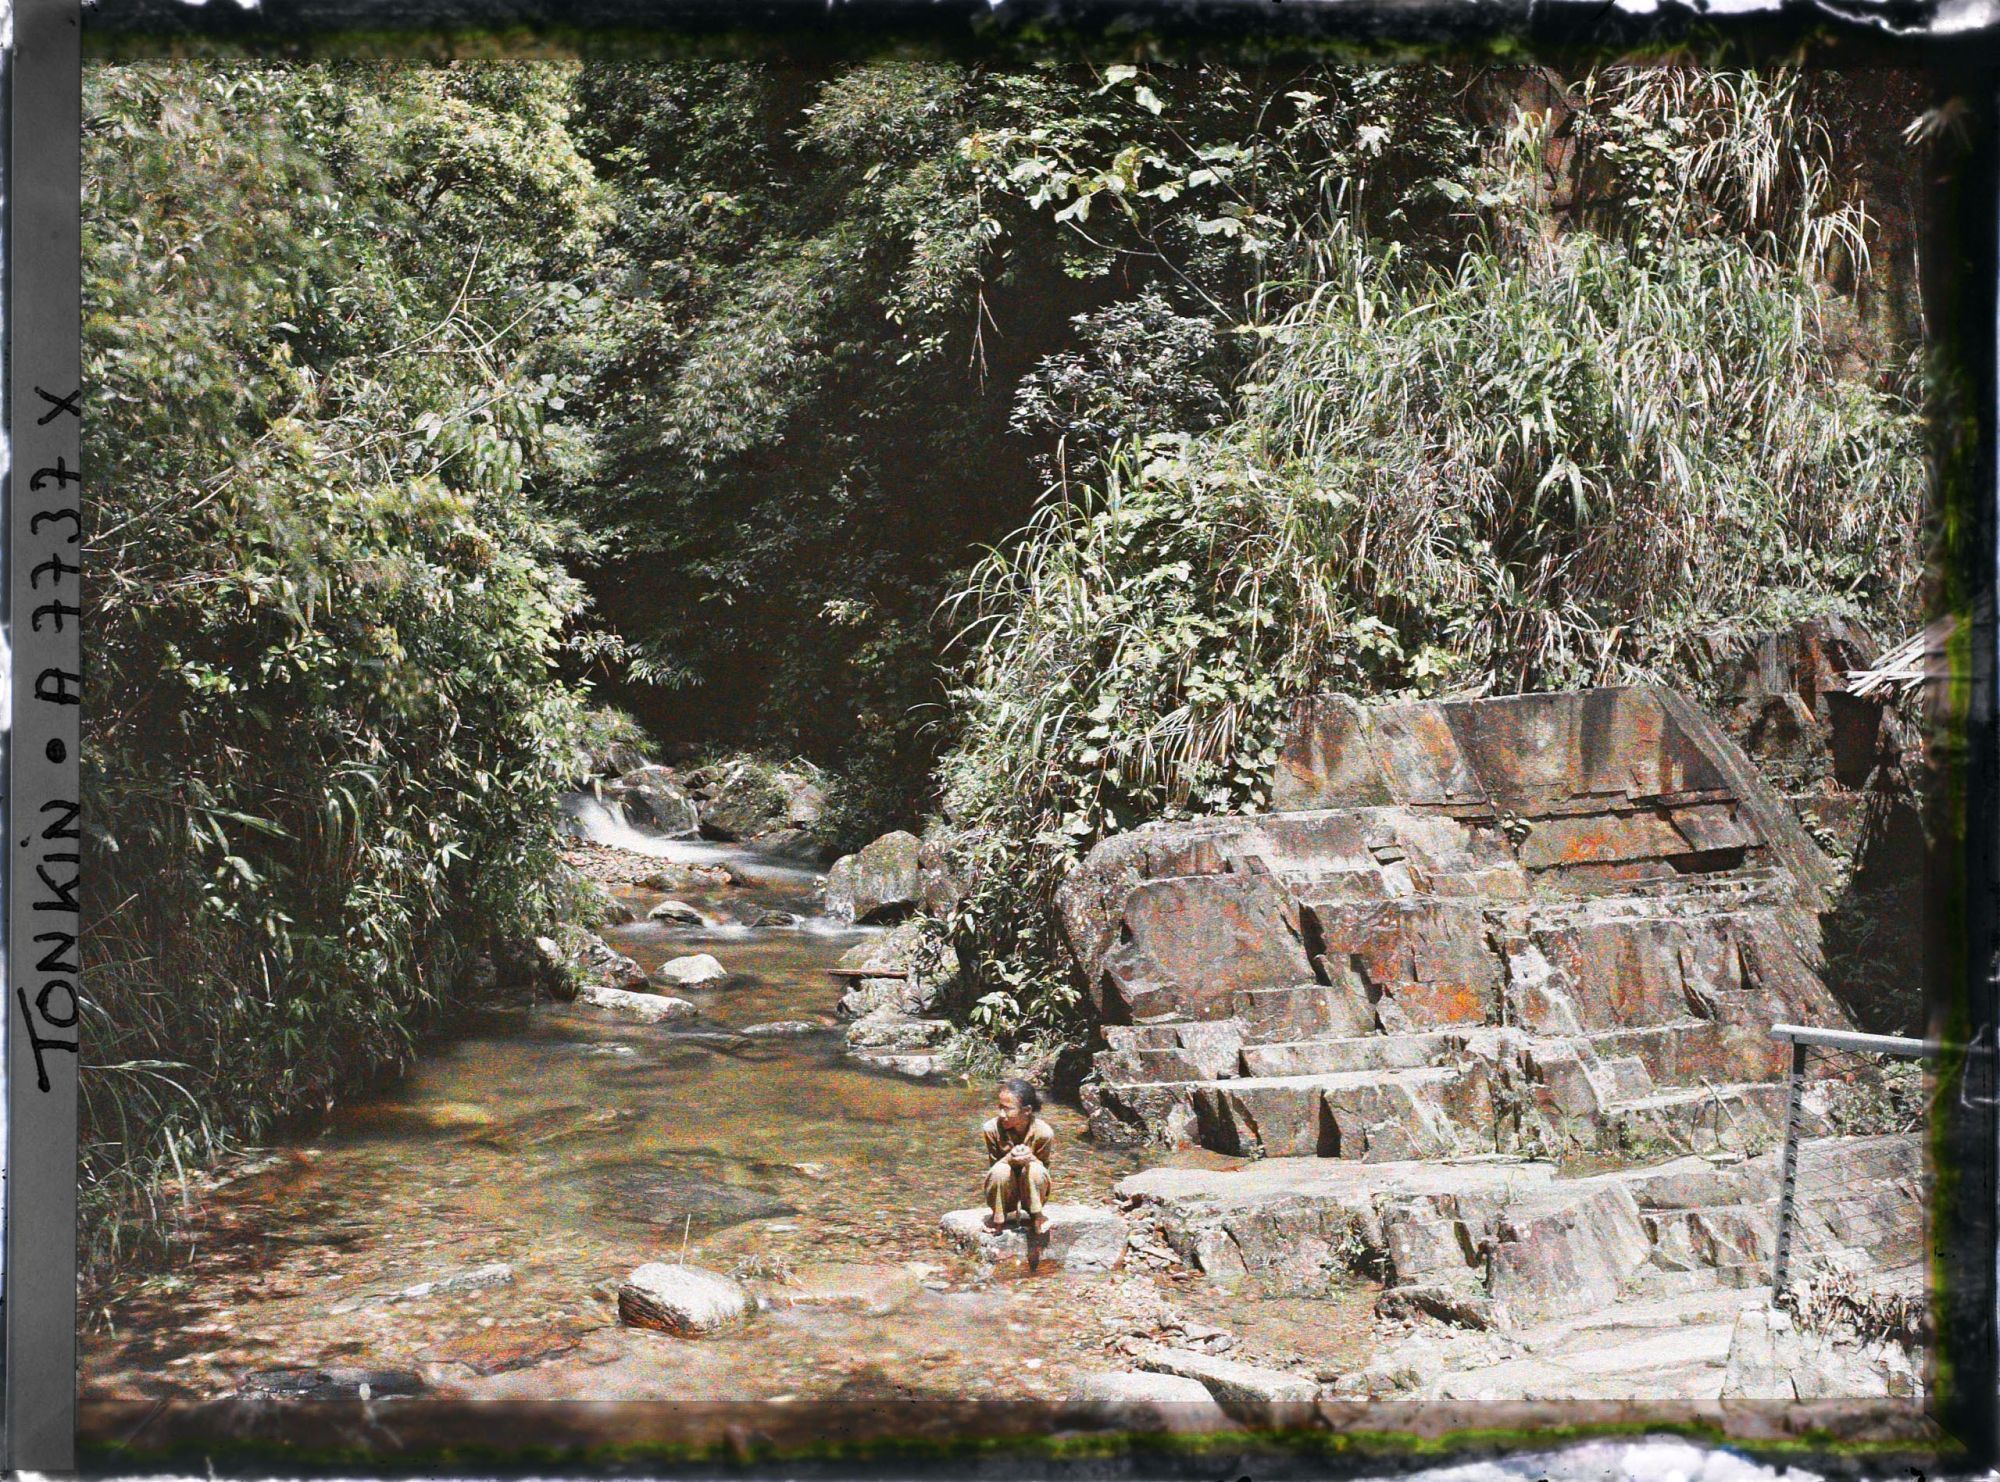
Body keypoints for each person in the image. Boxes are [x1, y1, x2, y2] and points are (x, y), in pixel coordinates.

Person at [982, 1078, 1055, 1234]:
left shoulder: (1044, 1133)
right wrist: (1008, 1159)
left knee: (1035, 1169)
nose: (1001, 1114)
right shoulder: (991, 1129)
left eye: (1007, 1109)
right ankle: (998, 1217)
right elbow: (993, 1170)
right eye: (1000, 1108)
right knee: (1000, 1171)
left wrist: (1031, 1158)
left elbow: (1044, 1172)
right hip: (1006, 1189)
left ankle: (1037, 1215)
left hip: (1031, 1191)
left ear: (1026, 1110)